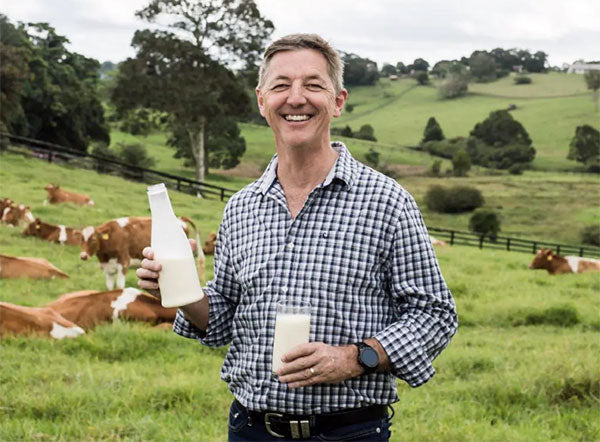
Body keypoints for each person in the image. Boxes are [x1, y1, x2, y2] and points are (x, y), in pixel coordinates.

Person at [137, 33, 457, 441]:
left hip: (349, 432)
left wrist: (355, 357)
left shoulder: (387, 202)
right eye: (281, 85)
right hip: (251, 428)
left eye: (313, 84)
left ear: (338, 101)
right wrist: (180, 291)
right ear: (261, 100)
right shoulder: (241, 208)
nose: (296, 97)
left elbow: (435, 315)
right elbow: (222, 319)